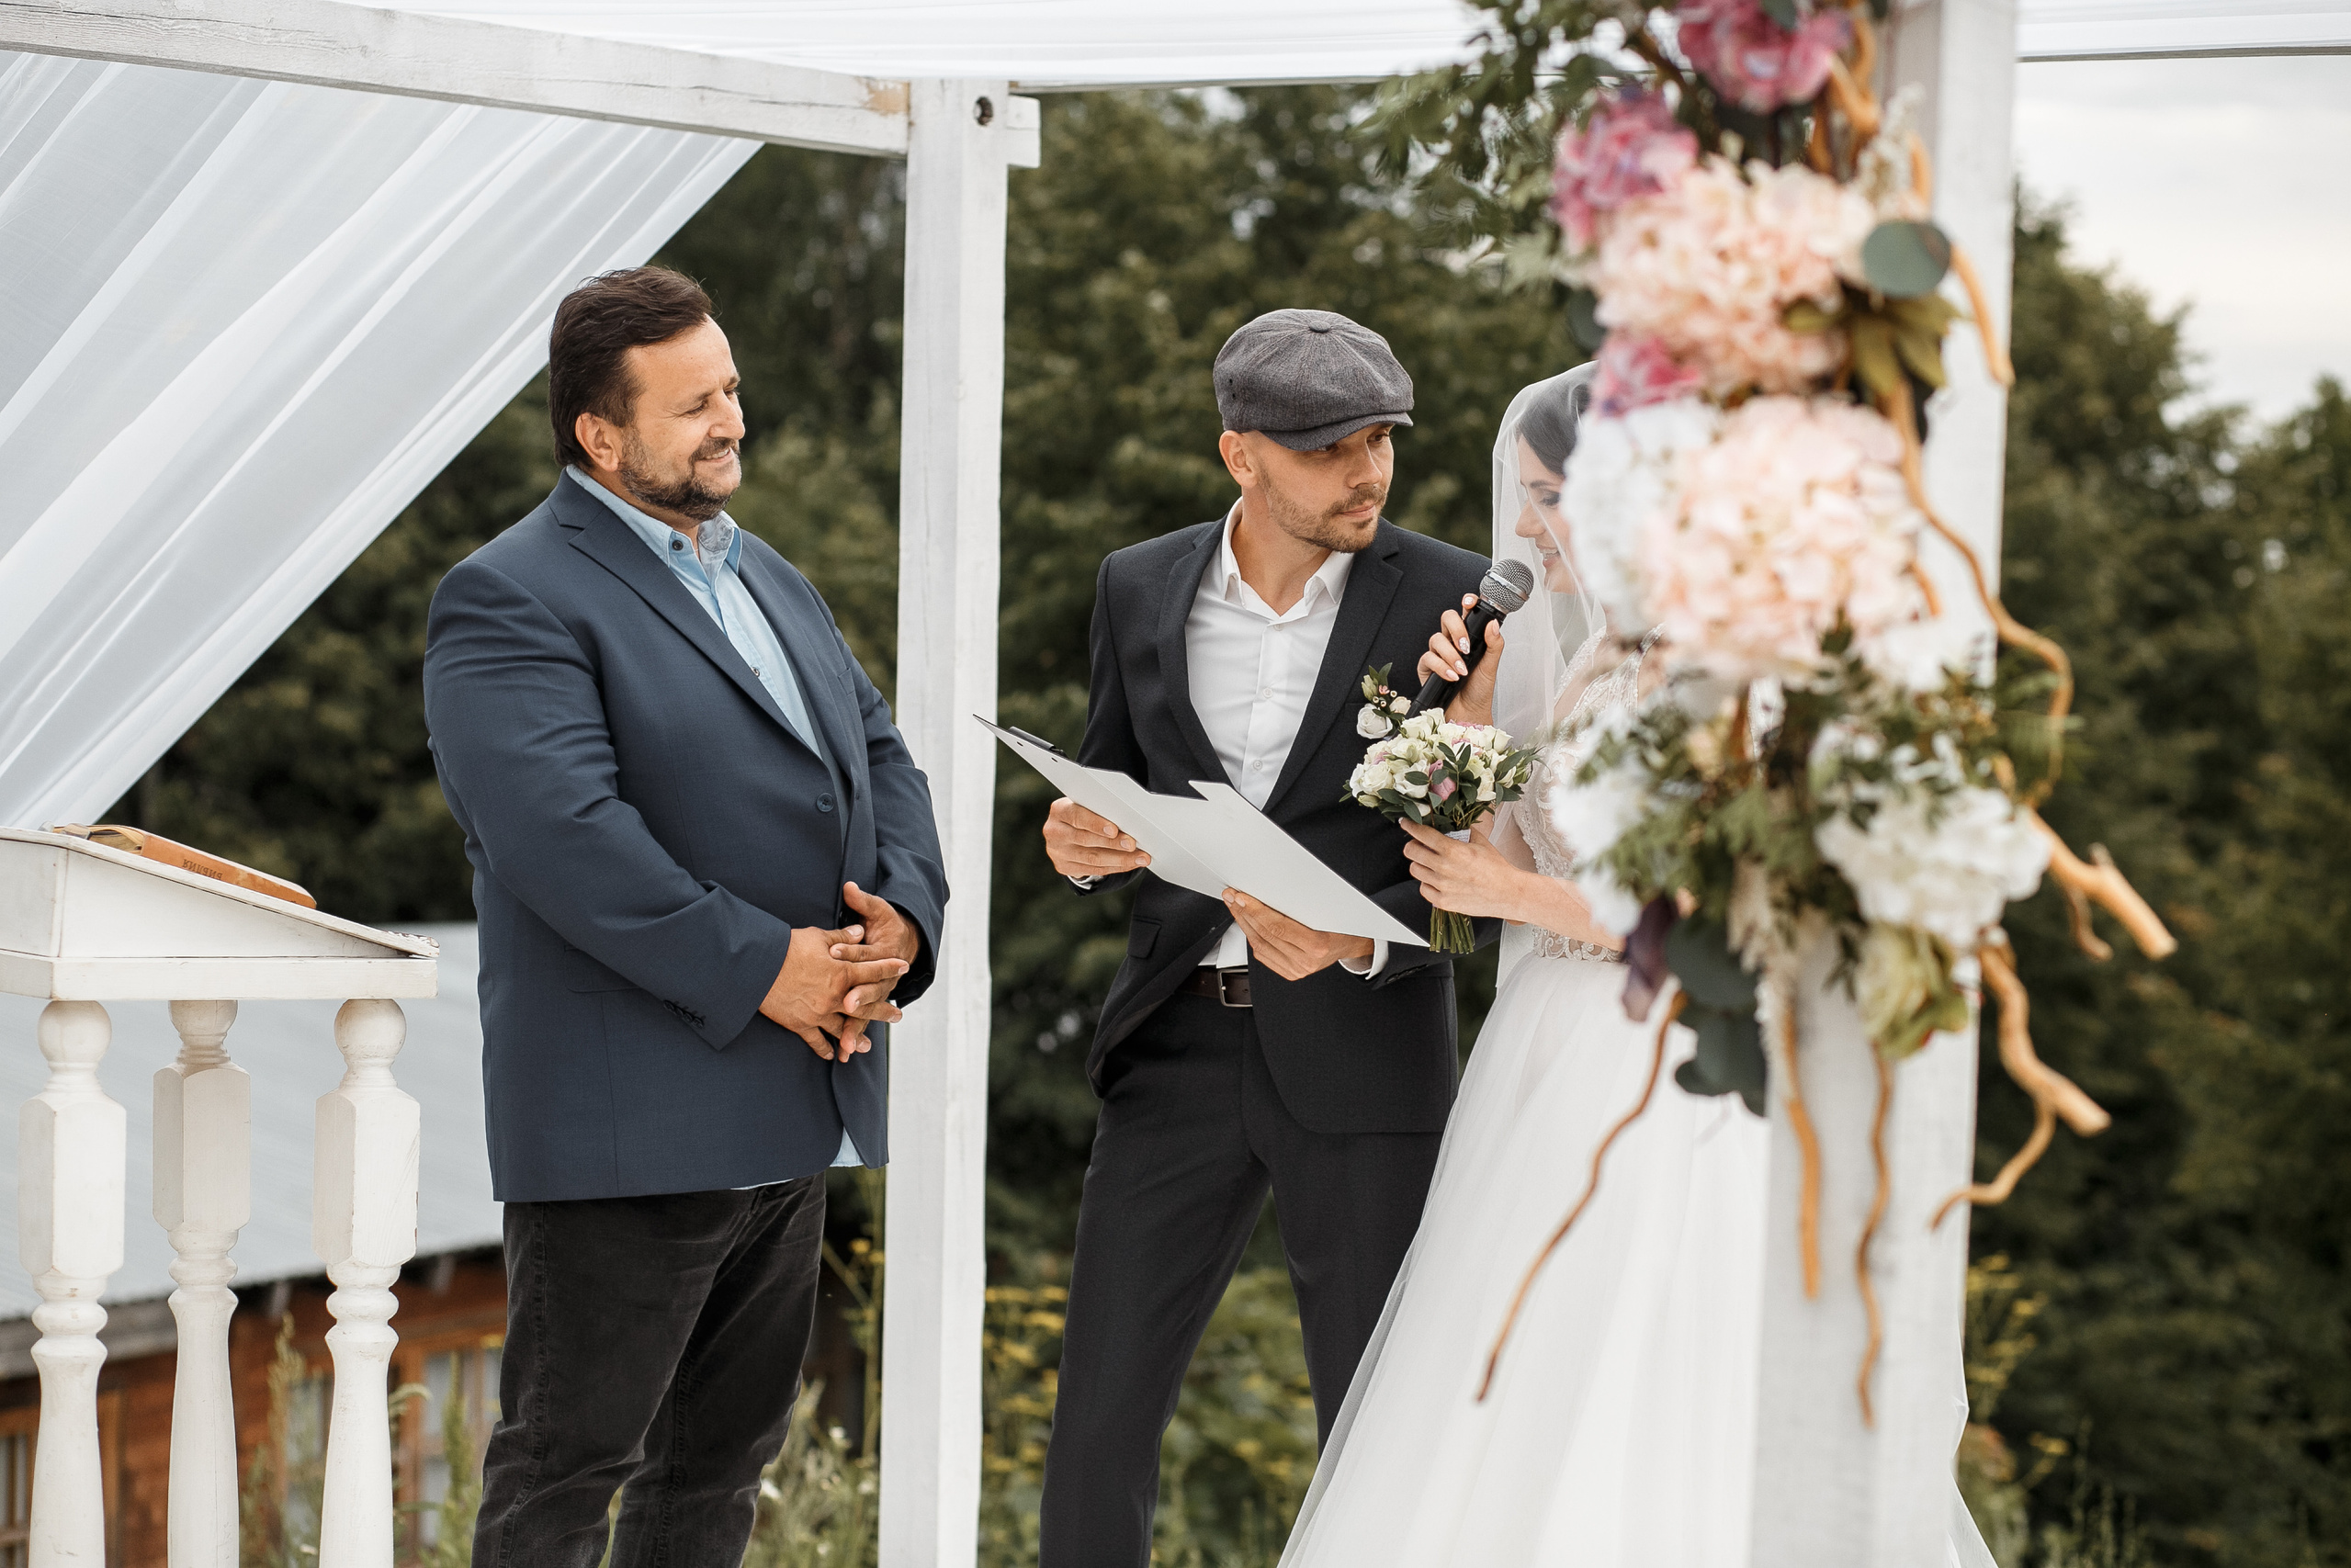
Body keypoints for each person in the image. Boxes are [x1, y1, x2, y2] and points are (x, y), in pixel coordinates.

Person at [1277, 367, 1995, 1566]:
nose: (1531, 533)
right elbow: (1513, 842)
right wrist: (1471, 717)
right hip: (1545, 1054)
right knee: (1515, 1384)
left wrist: (1512, 896)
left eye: (1553, 501)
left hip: (1672, 1072)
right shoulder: (1602, 653)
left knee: (1655, 1382)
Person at [422, 265, 947, 1568]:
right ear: (599, 435)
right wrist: (772, 968)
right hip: (626, 1123)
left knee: (716, 1477)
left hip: (792, 1106)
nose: (731, 420)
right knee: (565, 1471)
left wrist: (906, 930)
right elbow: (567, 841)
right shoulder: (506, 596)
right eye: (693, 403)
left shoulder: (766, 572)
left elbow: (878, 754)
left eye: (730, 390)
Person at [1034, 309, 1496, 1568]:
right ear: (1243, 456)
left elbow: (1492, 866)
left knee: (1373, 1412)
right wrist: (1073, 842)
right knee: (1101, 1415)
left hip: (1366, 1050)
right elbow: (1107, 779)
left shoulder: (1460, 599)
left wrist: (1354, 946)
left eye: (1382, 439)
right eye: (1331, 447)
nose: (1369, 471)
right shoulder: (1136, 582)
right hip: (1174, 1045)